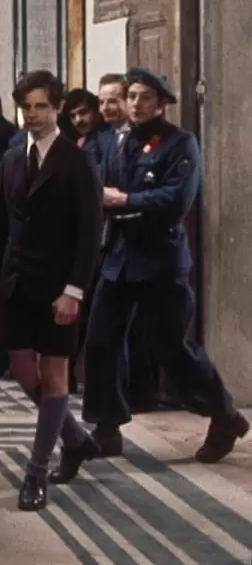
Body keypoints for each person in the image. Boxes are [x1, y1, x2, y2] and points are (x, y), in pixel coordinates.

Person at [82, 67, 248, 464]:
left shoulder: (180, 143)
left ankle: (223, 414)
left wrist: (126, 201)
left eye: (145, 97)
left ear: (162, 104)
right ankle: (106, 427)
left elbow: (176, 200)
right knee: (101, 340)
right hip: (119, 258)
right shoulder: (119, 142)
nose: (136, 104)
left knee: (170, 347)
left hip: (160, 261)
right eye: (131, 96)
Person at [0, 71, 103, 511]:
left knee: (54, 376)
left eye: (40, 107)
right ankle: (74, 438)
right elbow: (0, 225)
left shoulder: (76, 160)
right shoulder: (12, 158)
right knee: (20, 370)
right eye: (26, 108)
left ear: (57, 108)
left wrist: (74, 290)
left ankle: (35, 472)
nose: (32, 115)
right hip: (17, 282)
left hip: (58, 286)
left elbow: (90, 232)